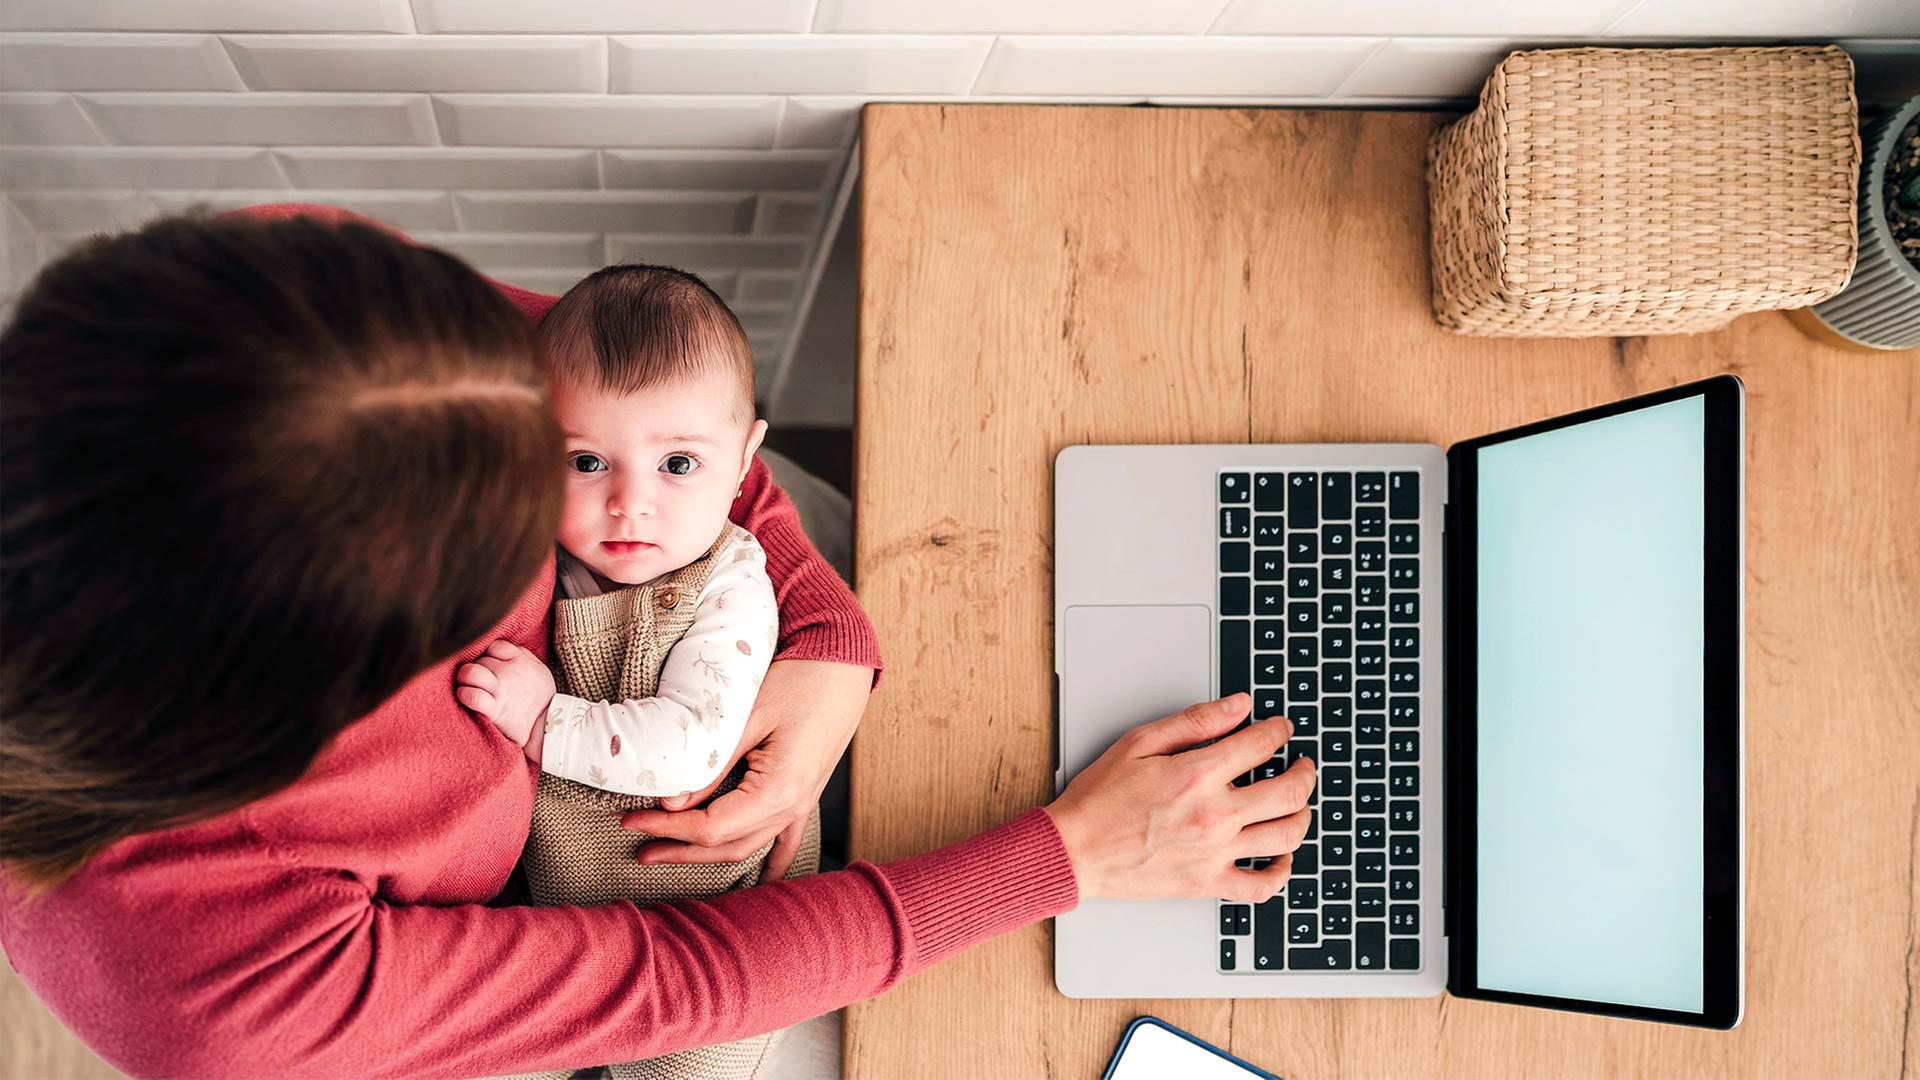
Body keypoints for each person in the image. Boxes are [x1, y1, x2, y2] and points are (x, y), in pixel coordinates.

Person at [0, 207, 1315, 1079]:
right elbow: (660, 976)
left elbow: (644, 422)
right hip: (572, 926)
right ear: (317, 712)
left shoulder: (303, 317)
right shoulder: (194, 979)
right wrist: (1068, 857)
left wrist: (828, 645)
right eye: (503, 548)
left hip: (693, 657)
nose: (574, 522)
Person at [459, 263, 812, 1080]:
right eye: (586, 463)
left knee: (697, 1057)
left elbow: (691, 749)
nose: (629, 502)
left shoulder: (729, 587)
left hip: (707, 897)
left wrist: (547, 722)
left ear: (745, 459)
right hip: (571, 899)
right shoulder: (552, 549)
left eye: (678, 465)